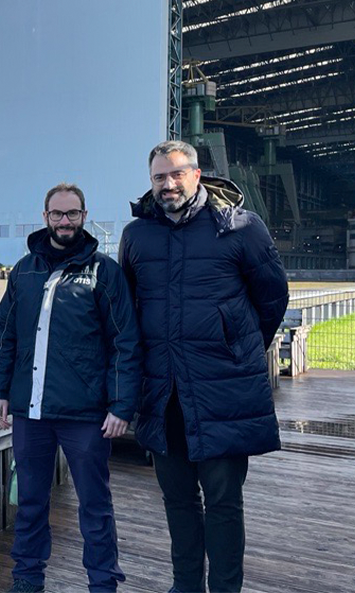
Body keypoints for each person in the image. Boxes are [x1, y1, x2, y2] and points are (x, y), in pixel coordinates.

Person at [119, 141, 289, 593]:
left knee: (224, 502)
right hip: (164, 393)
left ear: (197, 175)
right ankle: (186, 586)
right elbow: (129, 309)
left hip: (222, 389)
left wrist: (238, 346)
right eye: (159, 177)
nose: (168, 184)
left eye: (177, 174)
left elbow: (273, 297)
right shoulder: (137, 235)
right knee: (177, 501)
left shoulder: (241, 227)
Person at [0, 183, 142, 593]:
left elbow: (125, 341)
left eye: (72, 213)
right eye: (57, 214)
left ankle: (103, 582)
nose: (64, 221)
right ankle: (27, 576)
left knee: (94, 504)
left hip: (85, 414)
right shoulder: (24, 270)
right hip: (31, 411)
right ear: (45, 217)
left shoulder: (103, 272)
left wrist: (121, 405)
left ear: (83, 216)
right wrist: (0, 390)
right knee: (30, 502)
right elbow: (5, 335)